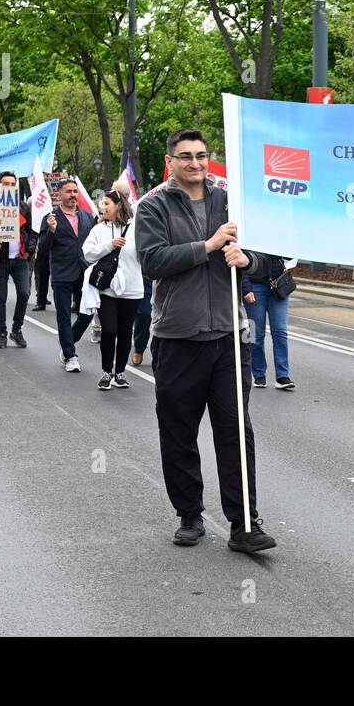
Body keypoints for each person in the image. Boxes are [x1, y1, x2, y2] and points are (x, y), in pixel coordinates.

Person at [136, 128, 277, 554]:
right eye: (185, 156)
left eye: (200, 155)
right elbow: (152, 261)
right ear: (171, 161)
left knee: (236, 432)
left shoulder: (233, 202)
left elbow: (271, 255)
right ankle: (190, 514)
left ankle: (244, 523)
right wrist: (209, 245)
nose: (194, 163)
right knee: (178, 432)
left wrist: (248, 259)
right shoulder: (153, 206)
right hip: (177, 338)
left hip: (230, 339)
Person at [82, 189, 143, 390]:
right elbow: (87, 253)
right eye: (102, 203)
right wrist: (109, 244)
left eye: (107, 203)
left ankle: (120, 373)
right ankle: (107, 372)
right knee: (109, 330)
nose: (103, 207)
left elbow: (146, 254)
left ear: (118, 205)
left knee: (126, 332)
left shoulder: (137, 228)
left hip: (132, 288)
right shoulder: (98, 229)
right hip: (107, 289)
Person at [41, 178, 96, 372]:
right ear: (59, 195)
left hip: (84, 272)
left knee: (87, 313)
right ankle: (71, 356)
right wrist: (51, 231)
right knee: (63, 315)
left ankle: (67, 345)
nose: (73, 195)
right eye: (68, 191)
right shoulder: (51, 218)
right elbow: (43, 248)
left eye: (75, 191)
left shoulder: (89, 217)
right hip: (62, 273)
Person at [0, 171, 36, 349]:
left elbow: (32, 231)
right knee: (1, 298)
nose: (9, 187)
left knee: (24, 293)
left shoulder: (23, 207)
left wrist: (28, 251)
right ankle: (2, 334)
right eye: (5, 184)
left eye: (11, 184)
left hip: (19, 260)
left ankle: (16, 329)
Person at [241, 256, 295, 391]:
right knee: (255, 333)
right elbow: (240, 262)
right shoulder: (248, 235)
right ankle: (258, 374)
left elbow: (290, 256)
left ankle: (283, 376)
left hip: (278, 284)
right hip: (254, 286)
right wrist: (246, 288)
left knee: (280, 332)